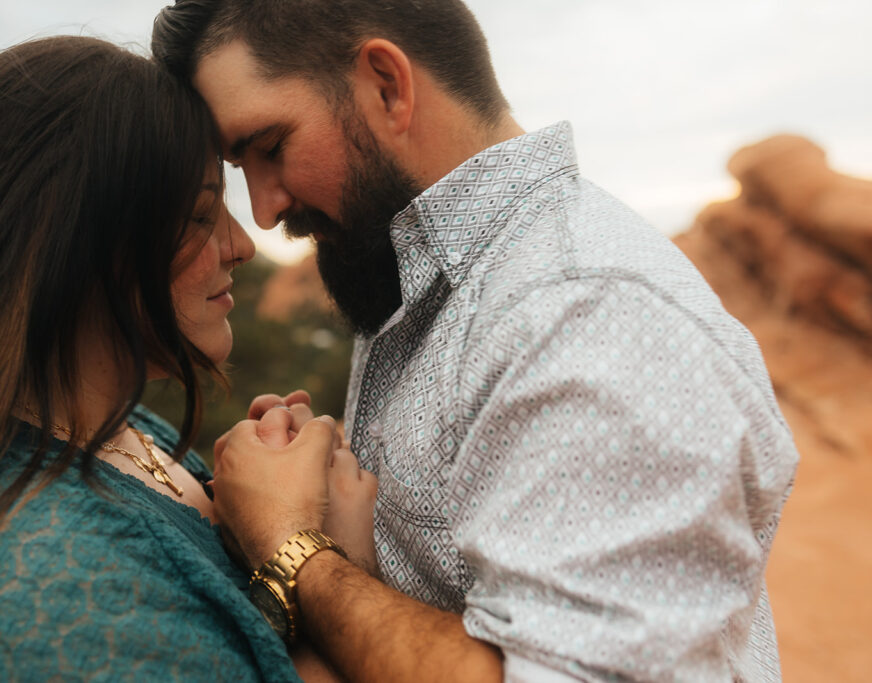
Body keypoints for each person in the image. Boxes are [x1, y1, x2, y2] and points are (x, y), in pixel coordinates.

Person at [151, 1, 801, 680]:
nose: (263, 207)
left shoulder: (584, 314)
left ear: (386, 86)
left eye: (270, 147)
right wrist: (327, 506)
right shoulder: (428, 275)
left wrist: (292, 545)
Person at [0, 35, 372, 682]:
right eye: (203, 215)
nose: (241, 244)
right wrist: (320, 553)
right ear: (81, 247)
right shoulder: (40, 588)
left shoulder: (115, 429)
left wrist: (264, 510)